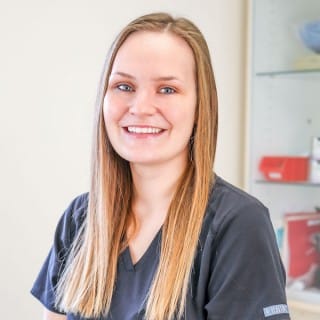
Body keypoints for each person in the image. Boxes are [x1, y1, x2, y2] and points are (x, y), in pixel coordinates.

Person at [31, 12, 290, 320]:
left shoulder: (238, 225)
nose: (140, 107)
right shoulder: (80, 219)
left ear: (199, 107)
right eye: (124, 86)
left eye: (167, 89)